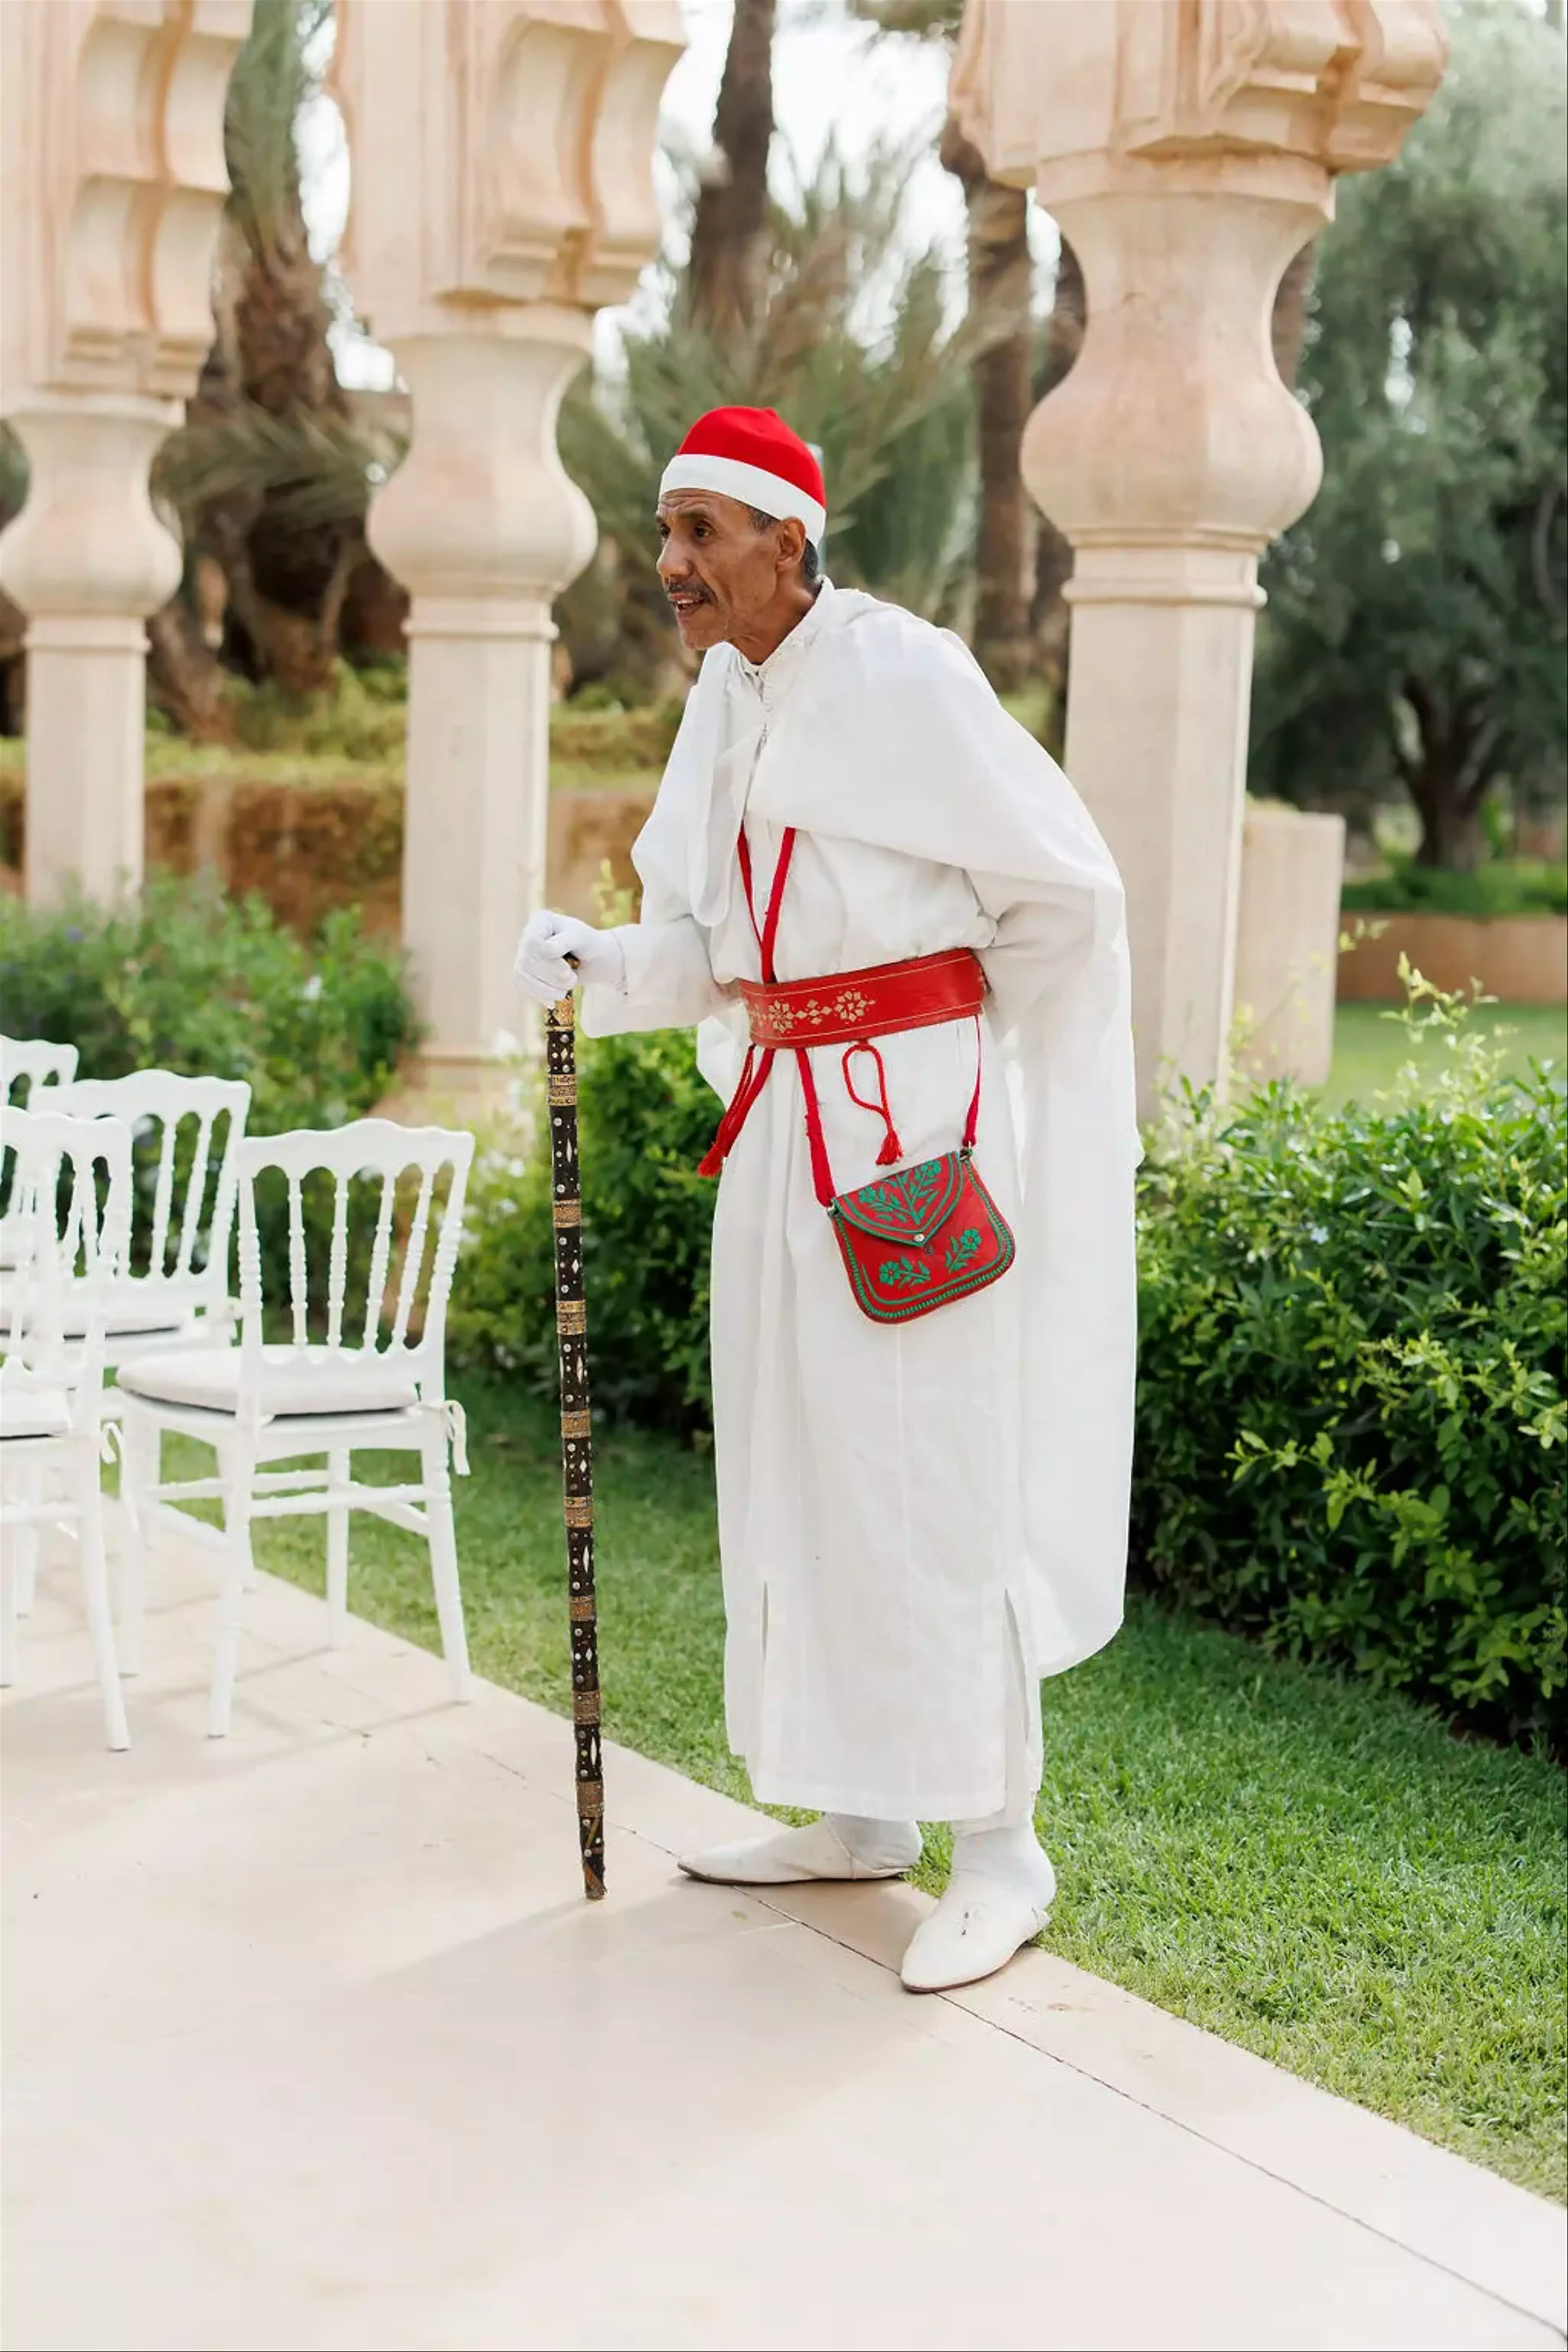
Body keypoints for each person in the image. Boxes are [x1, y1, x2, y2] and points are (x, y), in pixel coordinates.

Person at [514, 405, 1138, 1993]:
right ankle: (862, 1812)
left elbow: (1062, 898)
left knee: (940, 1484)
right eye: (664, 536)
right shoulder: (731, 696)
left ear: (789, 539)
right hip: (783, 1142)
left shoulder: (905, 673)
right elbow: (727, 953)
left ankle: (1002, 1848)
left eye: (700, 534)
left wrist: (971, 1081)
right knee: (806, 1475)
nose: (670, 567)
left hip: (913, 1156)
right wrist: (598, 965)